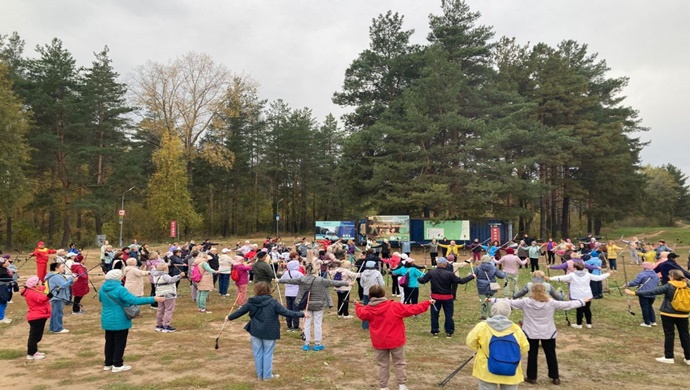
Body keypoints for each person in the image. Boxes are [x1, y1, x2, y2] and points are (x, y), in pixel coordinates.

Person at [491, 284, 586, 385]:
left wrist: (492, 300)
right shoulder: (551, 302)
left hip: (531, 332)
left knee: (532, 354)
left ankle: (532, 377)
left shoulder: (525, 302)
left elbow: (508, 302)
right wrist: (582, 301)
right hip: (548, 333)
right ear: (544, 291)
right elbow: (568, 304)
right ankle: (555, 377)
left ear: (532, 291)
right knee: (551, 355)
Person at [356, 285, 432, 390]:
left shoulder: (369, 309)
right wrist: (427, 302)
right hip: (396, 340)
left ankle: (384, 387)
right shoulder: (394, 306)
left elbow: (361, 314)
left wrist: (358, 306)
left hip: (380, 342)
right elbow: (412, 309)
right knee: (399, 362)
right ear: (383, 294)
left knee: (382, 364)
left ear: (369, 296)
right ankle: (402, 385)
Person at [228, 282, 307, 381]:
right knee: (267, 353)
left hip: (255, 330)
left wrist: (229, 317)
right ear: (268, 290)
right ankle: (267, 376)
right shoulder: (272, 302)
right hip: (270, 331)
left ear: (256, 290)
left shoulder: (252, 302)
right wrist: (302, 314)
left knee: (257, 353)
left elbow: (240, 312)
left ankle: (260, 375)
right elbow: (286, 312)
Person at [100, 269, 165, 372]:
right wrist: (153, 299)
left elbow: (101, 300)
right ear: (118, 278)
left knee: (109, 341)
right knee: (120, 342)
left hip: (106, 318)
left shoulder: (102, 288)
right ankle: (117, 364)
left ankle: (108, 363)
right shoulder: (120, 289)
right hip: (120, 318)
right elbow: (134, 300)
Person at [278, 273, 351, 351]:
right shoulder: (321, 280)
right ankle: (317, 343)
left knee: (306, 324)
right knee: (318, 324)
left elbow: (291, 281)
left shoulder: (303, 279)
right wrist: (348, 283)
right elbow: (334, 282)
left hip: (306, 304)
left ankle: (306, 344)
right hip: (319, 305)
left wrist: (279, 280)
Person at [466, 300, 529, 390]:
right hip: (511, 369)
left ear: (492, 311)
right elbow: (525, 347)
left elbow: (470, 341)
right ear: (508, 313)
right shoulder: (516, 329)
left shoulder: (482, 326)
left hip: (487, 369)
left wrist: (481, 348)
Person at [417, 257, 475, 337]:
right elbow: (460, 281)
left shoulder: (431, 272)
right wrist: (471, 276)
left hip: (435, 298)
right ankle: (449, 331)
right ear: (445, 264)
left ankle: (435, 331)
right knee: (448, 315)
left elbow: (423, 280)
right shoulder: (450, 274)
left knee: (434, 315)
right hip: (447, 298)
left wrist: (419, 279)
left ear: (438, 264)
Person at [548, 262, 610, 328]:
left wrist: (550, 278)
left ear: (574, 268)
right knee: (587, 309)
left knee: (579, 309)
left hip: (577, 295)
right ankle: (589, 323)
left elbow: (561, 278)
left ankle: (579, 324)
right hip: (587, 294)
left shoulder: (572, 275)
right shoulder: (587, 274)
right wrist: (609, 273)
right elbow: (599, 278)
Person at [21, 276, 51, 360]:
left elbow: (42, 288)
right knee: (34, 336)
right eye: (40, 281)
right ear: (35, 284)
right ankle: (31, 353)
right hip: (36, 317)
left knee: (38, 336)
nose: (41, 282)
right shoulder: (31, 293)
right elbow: (41, 299)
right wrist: (49, 296)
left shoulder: (34, 289)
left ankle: (34, 351)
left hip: (40, 315)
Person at [625, 262, 661, 327]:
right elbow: (657, 283)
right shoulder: (656, 275)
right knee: (650, 306)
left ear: (645, 268)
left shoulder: (642, 274)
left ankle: (647, 323)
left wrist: (628, 284)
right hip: (653, 293)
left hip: (644, 293)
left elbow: (635, 282)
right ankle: (653, 321)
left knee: (645, 307)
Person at [152, 263, 184, 333]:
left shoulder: (155, 275)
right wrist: (180, 276)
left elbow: (152, 271)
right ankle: (166, 326)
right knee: (168, 310)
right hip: (168, 295)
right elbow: (171, 280)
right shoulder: (165, 276)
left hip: (159, 294)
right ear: (165, 269)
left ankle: (159, 325)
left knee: (160, 310)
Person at [45, 262, 76, 333]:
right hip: (57, 297)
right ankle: (58, 328)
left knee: (55, 313)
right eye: (62, 267)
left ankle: (53, 327)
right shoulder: (55, 276)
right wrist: (72, 280)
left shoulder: (57, 275)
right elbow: (63, 285)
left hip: (56, 296)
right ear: (56, 268)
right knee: (58, 313)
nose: (63, 269)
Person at [474, 255, 506, 320]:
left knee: (483, 301)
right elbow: (501, 276)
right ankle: (491, 314)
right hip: (491, 286)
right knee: (491, 300)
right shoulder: (493, 267)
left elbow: (474, 275)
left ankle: (483, 315)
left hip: (481, 286)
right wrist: (504, 273)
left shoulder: (478, 267)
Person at [281, 256, 304, 331]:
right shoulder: (298, 273)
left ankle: (289, 325)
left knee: (289, 309)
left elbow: (281, 280)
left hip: (288, 293)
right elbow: (304, 281)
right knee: (296, 310)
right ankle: (296, 325)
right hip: (296, 293)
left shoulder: (286, 273)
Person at [360, 260, 385, 330]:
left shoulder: (363, 273)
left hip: (366, 292)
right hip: (376, 292)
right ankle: (376, 324)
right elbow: (382, 284)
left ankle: (365, 326)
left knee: (366, 308)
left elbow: (361, 284)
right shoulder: (377, 273)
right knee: (377, 309)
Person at [0, 257, 17, 324]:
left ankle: (3, 316)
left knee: (5, 302)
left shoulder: (5, 269)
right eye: (6, 261)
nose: (8, 262)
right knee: (2, 302)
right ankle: (1, 318)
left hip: (6, 287)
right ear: (2, 264)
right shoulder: (2, 271)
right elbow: (6, 279)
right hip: (2, 288)